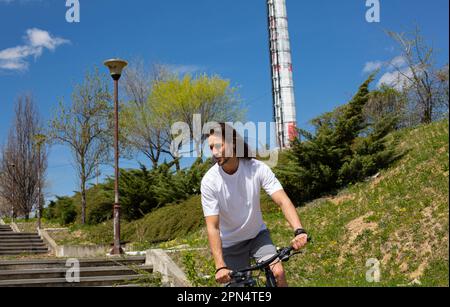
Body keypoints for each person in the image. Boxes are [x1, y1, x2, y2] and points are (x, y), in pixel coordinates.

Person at [200, 123, 308, 287]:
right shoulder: (209, 181)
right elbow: (212, 226)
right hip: (230, 245)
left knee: (278, 272)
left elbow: (282, 200)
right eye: (211, 148)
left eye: (218, 146)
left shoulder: (257, 168)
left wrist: (299, 230)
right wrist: (220, 266)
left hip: (257, 236)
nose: (214, 152)